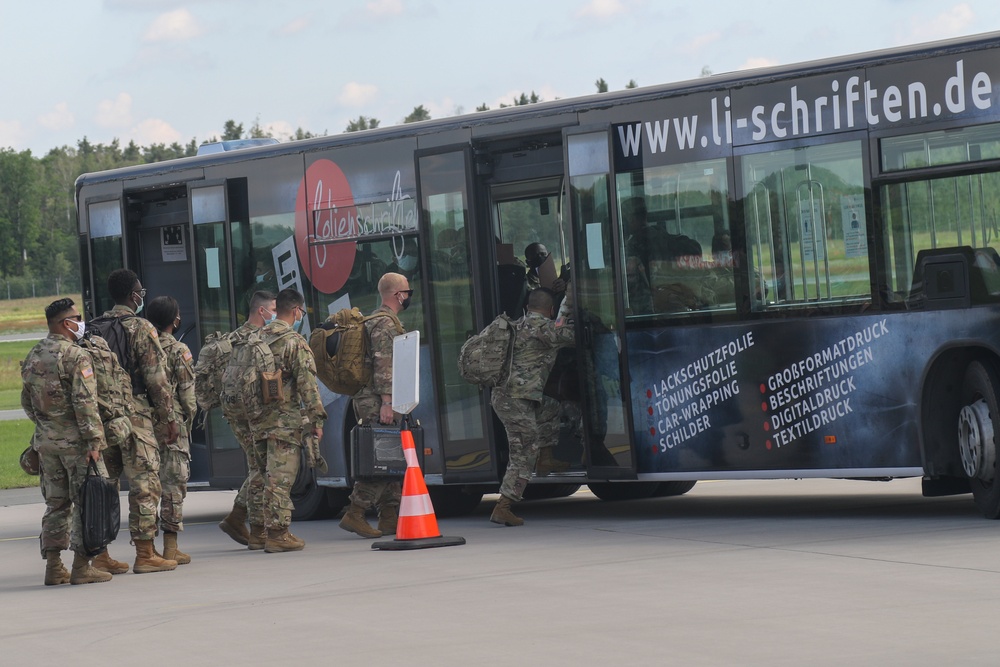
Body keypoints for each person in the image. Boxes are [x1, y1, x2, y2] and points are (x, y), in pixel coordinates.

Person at [21, 298, 112, 585]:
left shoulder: (34, 355)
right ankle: (82, 566)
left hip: (46, 442)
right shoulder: (75, 356)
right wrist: (95, 443)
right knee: (87, 502)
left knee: (56, 504)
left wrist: (47, 426)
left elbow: (27, 403)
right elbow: (85, 404)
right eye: (76, 317)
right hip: (76, 444)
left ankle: (53, 566)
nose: (80, 322)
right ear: (64, 323)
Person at [101, 268, 179, 573]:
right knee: (144, 484)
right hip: (135, 416)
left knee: (104, 486)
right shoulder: (141, 327)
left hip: (105, 416)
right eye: (141, 293)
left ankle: (100, 552)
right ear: (134, 296)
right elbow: (156, 379)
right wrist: (169, 418)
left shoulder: (95, 328)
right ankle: (145, 553)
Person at [490, 288, 575, 526]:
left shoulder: (518, 326)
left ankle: (545, 458)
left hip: (511, 398)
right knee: (524, 452)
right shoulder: (545, 330)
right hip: (515, 401)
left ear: (527, 308)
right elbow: (575, 335)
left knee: (550, 408)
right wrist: (569, 307)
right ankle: (503, 506)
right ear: (549, 310)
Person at [251, 288, 326, 552]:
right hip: (284, 422)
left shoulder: (255, 338)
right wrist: (317, 420)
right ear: (295, 311)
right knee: (281, 479)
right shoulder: (294, 342)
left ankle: (258, 531)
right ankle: (278, 534)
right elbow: (308, 385)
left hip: (256, 422)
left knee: (264, 476)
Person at [339, 272, 409, 538]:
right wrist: (387, 402)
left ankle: (389, 516)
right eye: (407, 291)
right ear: (397, 294)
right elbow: (383, 364)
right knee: (383, 457)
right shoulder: (385, 324)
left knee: (390, 460)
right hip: (377, 399)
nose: (408, 296)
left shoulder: (377, 320)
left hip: (372, 397)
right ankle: (355, 512)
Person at [217, 290, 277, 548]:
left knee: (258, 468)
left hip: (236, 412)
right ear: (262, 311)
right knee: (260, 469)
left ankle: (239, 519)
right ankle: (256, 529)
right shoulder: (260, 339)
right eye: (273, 308)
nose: (276, 312)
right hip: (253, 414)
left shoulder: (232, 339)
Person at [146, 296, 196, 565]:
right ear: (175, 321)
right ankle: (171, 546)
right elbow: (188, 396)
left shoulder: (141, 348)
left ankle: (148, 548)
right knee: (174, 484)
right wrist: (187, 418)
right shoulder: (179, 350)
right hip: (173, 423)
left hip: (145, 423)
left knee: (148, 485)